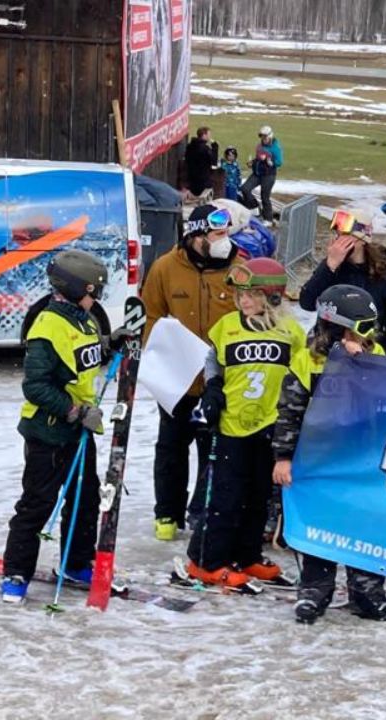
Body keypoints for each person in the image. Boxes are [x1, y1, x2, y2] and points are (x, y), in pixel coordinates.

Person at [272, 284, 386, 625]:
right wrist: (283, 456)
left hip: (361, 459)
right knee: (320, 525)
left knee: (364, 524)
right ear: (336, 324)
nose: (369, 335)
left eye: (372, 327)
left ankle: (367, 592)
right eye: (362, 327)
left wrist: (363, 364)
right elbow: (289, 410)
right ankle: (315, 590)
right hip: (319, 458)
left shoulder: (377, 354)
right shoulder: (309, 359)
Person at [0, 250, 113, 603]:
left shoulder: (85, 318)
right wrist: (75, 411)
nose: (98, 299)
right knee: (38, 502)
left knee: (84, 499)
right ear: (77, 287)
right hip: (47, 431)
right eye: (95, 291)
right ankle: (17, 571)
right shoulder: (46, 326)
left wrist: (112, 344)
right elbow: (35, 386)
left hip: (79, 431)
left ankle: (75, 562)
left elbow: (84, 357)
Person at [186, 258, 306, 589]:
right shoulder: (228, 326)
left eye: (252, 294)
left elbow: (301, 371)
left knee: (257, 497)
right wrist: (212, 387)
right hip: (232, 426)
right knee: (226, 497)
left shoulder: (290, 332)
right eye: (241, 295)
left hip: (269, 424)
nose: (244, 301)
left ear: (273, 296)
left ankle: (246, 553)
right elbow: (213, 359)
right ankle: (206, 560)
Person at [141, 204, 242, 542]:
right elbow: (150, 316)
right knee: (171, 447)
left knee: (213, 449)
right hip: (177, 380)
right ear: (196, 235)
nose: (223, 240)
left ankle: (203, 514)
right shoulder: (165, 268)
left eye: (226, 233)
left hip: (220, 382)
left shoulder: (239, 269)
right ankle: (166, 514)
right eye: (216, 234)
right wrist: (159, 357)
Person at [299, 208, 386, 355]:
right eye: (338, 234)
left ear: (362, 239)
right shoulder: (332, 267)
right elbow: (306, 302)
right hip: (329, 347)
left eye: (346, 235)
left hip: (366, 348)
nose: (339, 239)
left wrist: (382, 356)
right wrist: (329, 266)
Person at [241, 125, 283, 223]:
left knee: (265, 196)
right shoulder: (259, 146)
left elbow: (279, 162)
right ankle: (255, 207)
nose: (263, 139)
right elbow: (258, 158)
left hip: (268, 175)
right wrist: (252, 162)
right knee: (245, 189)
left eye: (265, 137)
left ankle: (268, 219)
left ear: (270, 136)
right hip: (257, 173)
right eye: (261, 136)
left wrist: (271, 163)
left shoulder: (276, 148)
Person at [184, 127, 219, 201]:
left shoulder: (190, 146)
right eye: (209, 134)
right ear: (204, 135)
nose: (210, 137)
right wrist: (215, 148)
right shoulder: (204, 148)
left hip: (191, 178)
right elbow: (213, 162)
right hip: (203, 180)